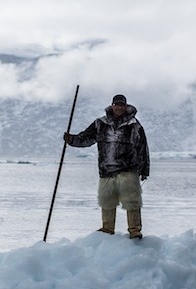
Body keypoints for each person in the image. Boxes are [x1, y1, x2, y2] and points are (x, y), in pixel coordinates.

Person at [64, 94, 150, 239]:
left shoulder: (134, 125)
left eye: (122, 105)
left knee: (132, 201)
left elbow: (142, 148)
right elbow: (86, 138)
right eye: (117, 105)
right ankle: (107, 228)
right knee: (107, 201)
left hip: (128, 169)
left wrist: (144, 169)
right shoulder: (100, 123)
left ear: (126, 106)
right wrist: (72, 139)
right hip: (106, 170)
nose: (119, 108)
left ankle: (135, 229)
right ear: (112, 106)